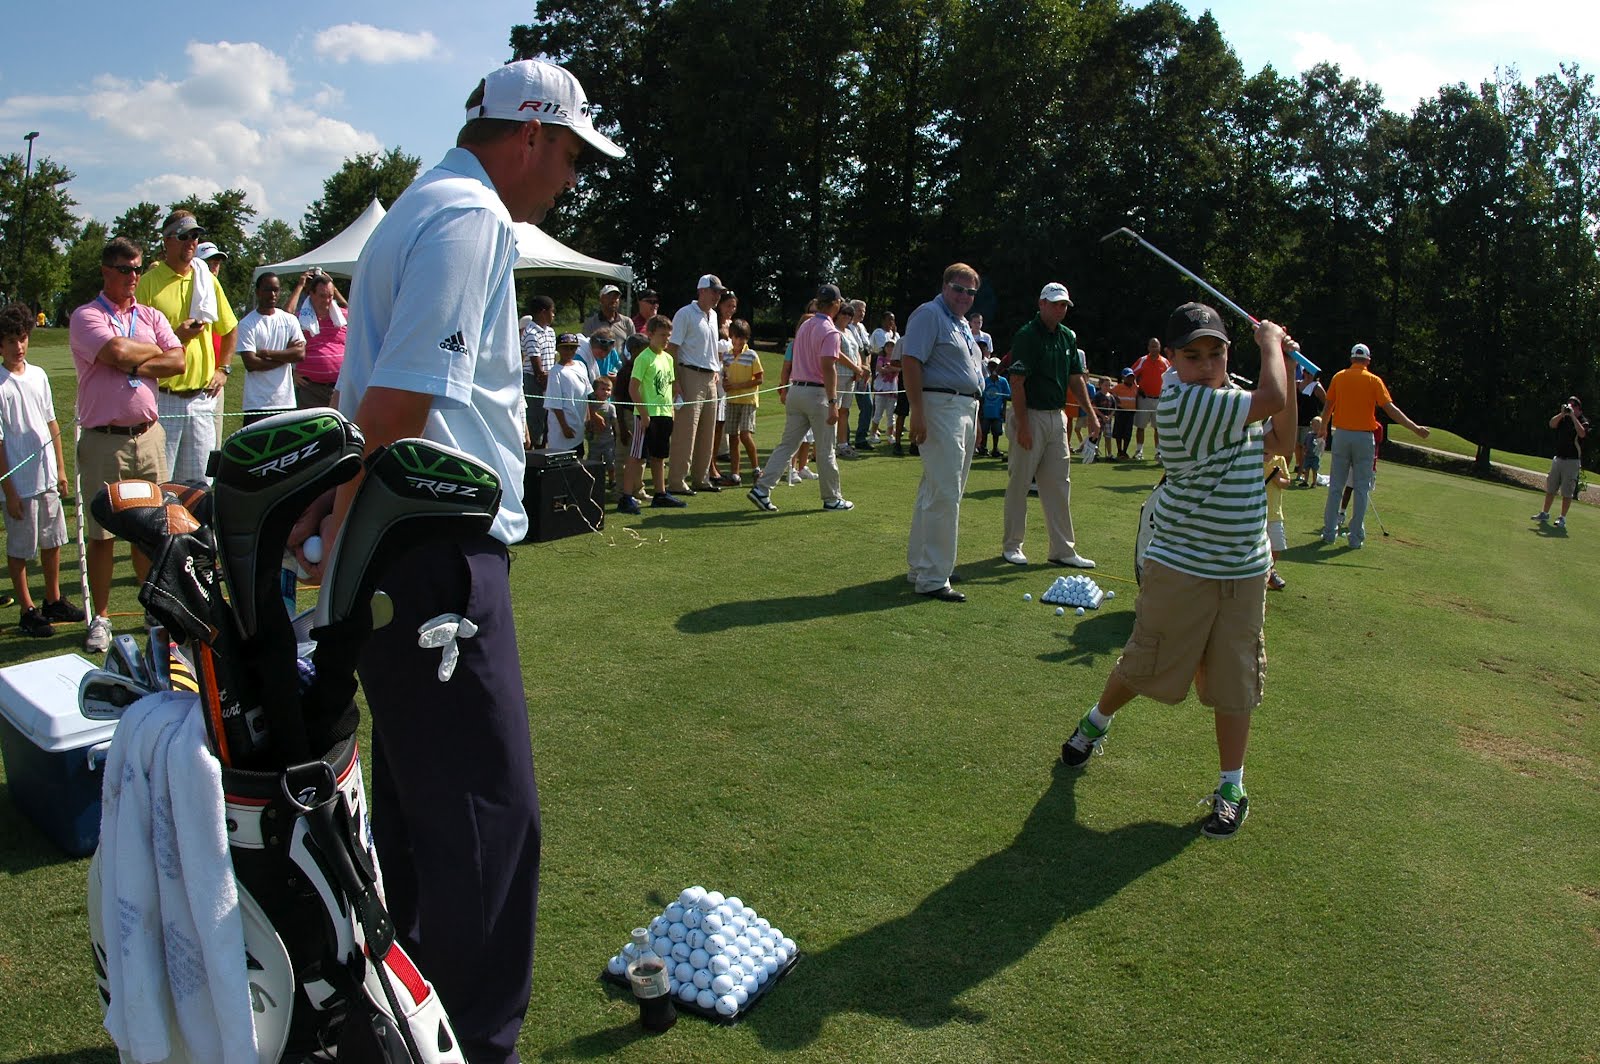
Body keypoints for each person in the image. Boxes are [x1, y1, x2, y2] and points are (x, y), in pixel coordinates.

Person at [288, 57, 624, 1063]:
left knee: (422, 806)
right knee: (487, 813)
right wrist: (336, 514)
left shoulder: (422, 206)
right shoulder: (471, 217)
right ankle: (471, 1043)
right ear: (531, 133)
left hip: (405, 547)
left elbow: (372, 399)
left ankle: (404, 1024)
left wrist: (330, 512)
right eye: (571, 156)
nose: (570, 179)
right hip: (435, 546)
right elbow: (397, 403)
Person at [1062, 303, 1298, 840]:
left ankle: (1232, 787)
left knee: (1236, 680)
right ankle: (1095, 722)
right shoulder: (1185, 403)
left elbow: (1282, 441)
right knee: (1145, 662)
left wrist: (1282, 359)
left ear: (1227, 354)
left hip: (1243, 570)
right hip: (1183, 566)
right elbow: (1274, 400)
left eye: (1216, 353)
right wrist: (1271, 343)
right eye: (1193, 355)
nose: (1206, 364)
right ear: (1171, 359)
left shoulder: (1229, 400)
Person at [70, 237, 185, 654]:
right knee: (102, 535)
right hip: (105, 440)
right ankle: (101, 617)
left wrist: (134, 358)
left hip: (149, 436)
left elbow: (179, 361)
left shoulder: (150, 315)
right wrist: (150, 354)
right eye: (125, 269)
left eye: (137, 268)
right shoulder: (86, 316)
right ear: (106, 271)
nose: (133, 276)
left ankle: (152, 606)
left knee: (151, 529)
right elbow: (116, 350)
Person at [901, 264, 985, 600]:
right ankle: (934, 576)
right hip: (940, 406)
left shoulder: (962, 323)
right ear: (945, 286)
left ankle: (923, 566)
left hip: (963, 407)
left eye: (971, 292)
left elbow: (971, 374)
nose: (965, 296)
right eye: (958, 288)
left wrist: (976, 417)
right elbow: (910, 361)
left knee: (936, 490)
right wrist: (917, 410)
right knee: (945, 493)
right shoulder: (929, 314)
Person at [1001, 282, 1099, 569]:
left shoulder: (1068, 337)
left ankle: (1062, 550)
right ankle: (1012, 545)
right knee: (1020, 482)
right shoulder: (1027, 335)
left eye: (1064, 305)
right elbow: (1017, 382)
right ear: (1041, 304)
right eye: (1055, 304)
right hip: (1029, 414)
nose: (1060, 309)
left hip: (1058, 416)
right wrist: (1023, 426)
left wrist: (1091, 414)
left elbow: (1076, 379)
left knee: (1058, 484)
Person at [136, 210, 237, 484]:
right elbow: (138, 347)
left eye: (195, 236)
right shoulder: (148, 284)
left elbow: (229, 328)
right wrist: (177, 336)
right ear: (167, 240)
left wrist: (224, 369)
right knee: (161, 484)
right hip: (164, 398)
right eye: (184, 236)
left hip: (201, 399)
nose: (192, 242)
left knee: (200, 486)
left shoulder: (207, 280)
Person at [0, 303, 82, 636]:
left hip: (46, 478)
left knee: (53, 540)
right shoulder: (1, 385)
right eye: (10, 341)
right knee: (21, 548)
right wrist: (9, 491)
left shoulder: (39, 376)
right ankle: (27, 609)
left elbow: (51, 423)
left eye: (22, 338)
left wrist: (60, 470)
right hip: (20, 484)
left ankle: (53, 599)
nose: (18, 346)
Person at [747, 284, 853, 514]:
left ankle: (762, 489)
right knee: (825, 449)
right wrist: (833, 403)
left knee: (787, 445)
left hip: (796, 391)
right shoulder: (831, 331)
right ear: (835, 304)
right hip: (817, 395)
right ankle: (832, 498)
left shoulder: (805, 325)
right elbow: (829, 368)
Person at [1318, 342, 1429, 548]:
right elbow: (1391, 409)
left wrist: (1323, 427)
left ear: (1351, 359)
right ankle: (1355, 538)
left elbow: (1328, 406)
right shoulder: (1374, 380)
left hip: (1341, 435)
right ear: (1367, 361)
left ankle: (1329, 533)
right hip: (1364, 438)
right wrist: (1414, 428)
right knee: (1361, 489)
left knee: (1336, 487)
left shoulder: (1339, 377)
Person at [667, 275, 725, 496]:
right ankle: (677, 481)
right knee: (686, 431)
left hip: (710, 377)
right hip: (689, 374)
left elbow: (711, 347)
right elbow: (673, 349)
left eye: (719, 292)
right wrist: (675, 380)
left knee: (707, 431)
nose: (717, 296)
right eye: (714, 291)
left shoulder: (714, 316)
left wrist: (716, 369)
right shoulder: (685, 314)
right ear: (702, 291)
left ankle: (701, 478)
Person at [618, 314, 680, 512]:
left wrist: (671, 410)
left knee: (659, 456)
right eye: (662, 335)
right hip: (646, 415)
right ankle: (626, 496)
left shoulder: (668, 358)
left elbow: (669, 387)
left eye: (668, 335)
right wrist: (644, 413)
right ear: (651, 334)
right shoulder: (643, 358)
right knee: (637, 455)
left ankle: (660, 493)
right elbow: (633, 388)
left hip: (664, 414)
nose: (666, 339)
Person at [235, 272, 306, 425]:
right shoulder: (247, 324)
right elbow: (251, 364)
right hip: (257, 404)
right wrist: (286, 357)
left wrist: (267, 353)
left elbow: (300, 354)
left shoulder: (289, 320)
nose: (273, 294)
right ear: (258, 292)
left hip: (285, 402)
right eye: (268, 289)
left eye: (276, 290)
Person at [290, 270, 348, 410]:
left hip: (340, 387)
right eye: (322, 296)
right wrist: (292, 373)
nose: (327, 301)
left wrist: (334, 288)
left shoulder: (342, 317)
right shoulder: (300, 319)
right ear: (311, 294)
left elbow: (349, 308)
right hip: (311, 389)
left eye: (330, 296)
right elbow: (286, 314)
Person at [1533, 396, 1589, 530]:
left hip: (1572, 461)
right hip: (1558, 459)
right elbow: (1552, 424)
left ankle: (1562, 518)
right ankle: (1544, 513)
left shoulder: (1583, 421)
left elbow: (1582, 434)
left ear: (1579, 409)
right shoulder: (1563, 419)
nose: (1570, 408)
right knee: (1551, 488)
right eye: (1569, 405)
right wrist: (1562, 413)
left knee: (1567, 492)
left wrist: (1573, 417)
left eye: (1573, 406)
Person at [723, 317, 762, 484]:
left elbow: (759, 379)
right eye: (736, 337)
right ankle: (735, 474)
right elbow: (725, 376)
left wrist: (737, 386)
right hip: (732, 400)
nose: (738, 341)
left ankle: (756, 469)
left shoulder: (752, 355)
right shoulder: (727, 356)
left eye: (742, 338)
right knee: (733, 437)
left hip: (748, 400)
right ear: (731, 336)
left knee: (745, 435)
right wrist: (726, 384)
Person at [546, 333, 593, 453]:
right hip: (563, 428)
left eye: (573, 348)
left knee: (579, 456)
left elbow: (586, 394)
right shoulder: (555, 372)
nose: (569, 351)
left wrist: (588, 418)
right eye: (565, 348)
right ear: (558, 349)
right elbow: (555, 404)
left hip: (579, 424)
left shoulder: (581, 365)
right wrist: (564, 427)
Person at [522, 295, 556, 448]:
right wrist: (545, 385)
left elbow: (551, 358)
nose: (553, 315)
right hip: (534, 381)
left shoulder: (550, 332)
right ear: (543, 312)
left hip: (548, 379)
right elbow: (537, 368)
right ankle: (533, 450)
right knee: (535, 419)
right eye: (552, 311)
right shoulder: (531, 333)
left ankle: (543, 448)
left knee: (547, 420)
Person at [1129, 336, 1170, 459]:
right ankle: (1139, 451)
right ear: (1148, 348)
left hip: (1159, 399)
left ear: (1160, 347)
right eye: (1152, 346)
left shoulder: (1165, 362)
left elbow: (1171, 377)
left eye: (1156, 346)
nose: (1154, 349)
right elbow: (1131, 374)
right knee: (1141, 426)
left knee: (1158, 427)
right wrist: (1137, 388)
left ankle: (1158, 452)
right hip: (1144, 398)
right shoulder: (1142, 360)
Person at [832, 302, 863, 460]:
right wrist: (855, 368)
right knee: (834, 410)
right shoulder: (834, 331)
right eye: (844, 313)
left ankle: (842, 444)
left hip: (851, 377)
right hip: (838, 375)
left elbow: (857, 351)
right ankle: (830, 446)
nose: (846, 317)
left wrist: (859, 368)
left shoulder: (850, 332)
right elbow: (837, 353)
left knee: (844, 411)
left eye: (849, 314)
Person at [1292, 357, 1326, 478]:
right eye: (1305, 372)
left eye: (1309, 373)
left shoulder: (1316, 387)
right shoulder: (1297, 384)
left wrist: (1321, 419)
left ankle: (1303, 471)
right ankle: (1298, 466)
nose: (1307, 375)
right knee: (1297, 445)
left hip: (1310, 422)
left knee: (1305, 447)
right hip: (1297, 420)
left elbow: (1326, 402)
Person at [1265, 451, 1291, 589]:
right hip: (1255, 512)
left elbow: (1287, 482)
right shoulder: (1252, 457)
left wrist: (1279, 479)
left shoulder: (1280, 459)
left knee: (1277, 545)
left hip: (1274, 513)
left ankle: (1269, 571)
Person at [588, 374, 619, 486]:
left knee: (611, 462)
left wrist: (618, 435)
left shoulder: (611, 407)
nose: (606, 392)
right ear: (595, 391)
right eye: (603, 389)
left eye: (608, 390)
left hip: (608, 441)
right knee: (593, 462)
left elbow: (615, 423)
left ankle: (612, 480)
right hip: (594, 442)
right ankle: (594, 481)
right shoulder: (590, 406)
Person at [583, 283, 633, 350]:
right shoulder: (590, 323)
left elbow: (633, 347)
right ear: (601, 300)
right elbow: (586, 347)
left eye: (616, 297)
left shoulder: (627, 322)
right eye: (609, 297)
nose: (613, 300)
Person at [979, 358, 1010, 458]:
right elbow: (982, 397)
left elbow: (1007, 396)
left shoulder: (1003, 381)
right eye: (991, 366)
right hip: (986, 410)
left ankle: (995, 449)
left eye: (995, 366)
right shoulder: (986, 381)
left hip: (997, 411)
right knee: (984, 430)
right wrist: (981, 410)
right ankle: (983, 447)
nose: (993, 368)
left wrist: (1004, 410)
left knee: (996, 432)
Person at [870, 340, 899, 445]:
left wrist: (891, 368)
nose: (890, 349)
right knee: (878, 413)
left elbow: (900, 368)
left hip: (892, 389)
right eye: (888, 347)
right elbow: (879, 369)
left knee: (891, 414)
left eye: (892, 347)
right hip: (881, 389)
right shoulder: (881, 358)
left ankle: (890, 434)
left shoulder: (896, 359)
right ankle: (873, 433)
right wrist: (890, 369)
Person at [1110, 369, 1139, 459]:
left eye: (1132, 377)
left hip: (1130, 413)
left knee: (1128, 433)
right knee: (1118, 432)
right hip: (1120, 411)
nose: (1130, 379)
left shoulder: (1136, 388)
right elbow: (1110, 393)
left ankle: (1125, 451)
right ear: (1123, 377)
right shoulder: (1118, 387)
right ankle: (1119, 451)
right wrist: (1115, 398)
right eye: (1128, 377)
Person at [1300, 415, 1324, 487]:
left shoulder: (1320, 436)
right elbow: (1305, 443)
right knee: (1306, 469)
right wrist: (1304, 449)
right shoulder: (1309, 434)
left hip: (1315, 456)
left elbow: (1322, 445)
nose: (1315, 427)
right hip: (1308, 455)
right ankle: (1305, 481)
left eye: (1317, 426)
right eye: (1314, 425)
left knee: (1314, 470)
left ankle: (1314, 482)